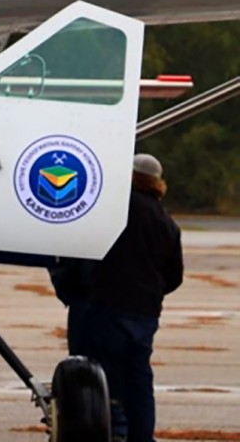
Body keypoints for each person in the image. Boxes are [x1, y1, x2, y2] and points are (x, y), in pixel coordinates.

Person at [82, 153, 184, 442]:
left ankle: (111, 431)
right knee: (139, 378)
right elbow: (174, 276)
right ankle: (142, 436)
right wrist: (152, 292)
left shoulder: (115, 210)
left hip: (109, 305)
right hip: (145, 312)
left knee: (103, 376)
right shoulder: (167, 222)